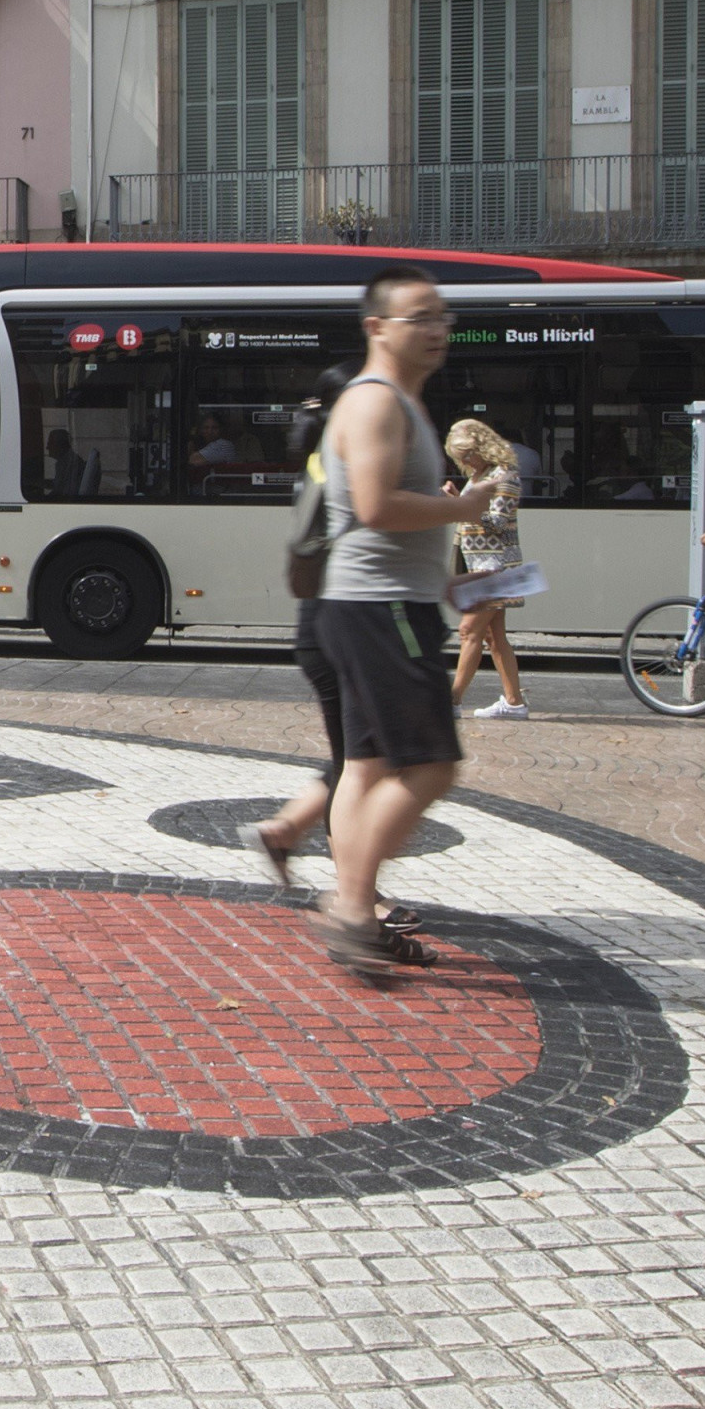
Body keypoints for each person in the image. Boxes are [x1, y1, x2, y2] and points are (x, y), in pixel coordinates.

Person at [255, 268, 472, 980]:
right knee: (431, 763)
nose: (437, 329)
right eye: (421, 317)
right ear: (377, 327)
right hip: (381, 609)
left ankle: (356, 904)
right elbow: (377, 509)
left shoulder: (393, 400)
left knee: (367, 762)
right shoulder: (378, 401)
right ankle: (351, 906)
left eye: (442, 316)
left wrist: (443, 579)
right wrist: (468, 507)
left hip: (375, 602)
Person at [444, 417, 530, 721]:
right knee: (494, 637)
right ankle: (514, 703)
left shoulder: (505, 477)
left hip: (496, 568)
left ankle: (452, 701)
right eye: (460, 457)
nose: (465, 461)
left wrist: (462, 505)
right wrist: (460, 503)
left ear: (482, 447)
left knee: (469, 631)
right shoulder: (480, 475)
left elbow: (498, 525)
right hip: (483, 566)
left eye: (468, 454)